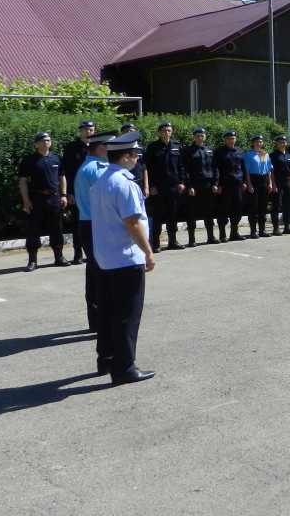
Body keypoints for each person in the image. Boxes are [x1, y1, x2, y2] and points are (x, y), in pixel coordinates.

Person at [89, 130, 156, 386]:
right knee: (127, 314)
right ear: (126, 157)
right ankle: (124, 367)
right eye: (135, 154)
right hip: (125, 258)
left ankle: (106, 359)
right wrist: (148, 251)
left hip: (105, 257)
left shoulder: (101, 181)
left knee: (107, 312)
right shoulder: (125, 183)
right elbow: (132, 222)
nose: (137, 159)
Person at [73, 130, 116, 331]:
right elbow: (110, 200)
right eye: (110, 148)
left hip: (90, 224)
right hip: (96, 225)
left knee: (94, 273)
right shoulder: (97, 170)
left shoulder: (90, 166)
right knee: (101, 274)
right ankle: (102, 321)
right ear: (100, 148)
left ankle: (97, 321)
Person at [18, 131, 68, 271]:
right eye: (42, 141)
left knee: (57, 228)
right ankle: (32, 261)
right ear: (37, 143)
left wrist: (64, 195)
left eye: (48, 140)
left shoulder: (56, 158)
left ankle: (59, 257)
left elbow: (62, 177)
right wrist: (26, 200)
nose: (46, 143)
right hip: (36, 198)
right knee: (33, 229)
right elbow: (23, 181)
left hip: (54, 197)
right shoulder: (29, 159)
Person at [144, 121, 186, 252]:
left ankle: (172, 241)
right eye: (164, 130)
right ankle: (156, 243)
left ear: (171, 132)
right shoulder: (152, 147)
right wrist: (151, 186)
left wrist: (182, 182)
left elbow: (181, 166)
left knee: (172, 214)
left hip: (174, 186)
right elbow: (149, 168)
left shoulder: (177, 146)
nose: (166, 133)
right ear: (159, 132)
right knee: (157, 215)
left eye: (169, 130)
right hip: (158, 187)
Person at [62, 119, 96, 263]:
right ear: (80, 131)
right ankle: (78, 253)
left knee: (95, 222)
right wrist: (69, 192)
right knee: (78, 223)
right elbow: (67, 172)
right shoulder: (71, 148)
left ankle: (93, 252)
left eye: (91, 129)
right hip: (77, 192)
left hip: (94, 191)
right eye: (85, 129)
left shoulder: (97, 147)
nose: (88, 132)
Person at [181, 127, 219, 246]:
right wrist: (189, 186)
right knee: (191, 212)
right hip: (194, 185)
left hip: (208, 185)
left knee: (209, 211)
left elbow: (215, 168)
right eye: (197, 136)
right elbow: (186, 170)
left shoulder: (210, 150)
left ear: (205, 137)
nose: (200, 138)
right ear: (194, 137)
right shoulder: (188, 151)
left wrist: (215, 183)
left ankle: (211, 237)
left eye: (202, 135)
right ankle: (191, 239)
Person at [214, 130, 247, 241]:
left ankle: (234, 233)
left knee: (237, 210)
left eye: (232, 138)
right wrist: (218, 184)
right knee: (223, 209)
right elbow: (216, 169)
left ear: (235, 139)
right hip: (225, 185)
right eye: (228, 138)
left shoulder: (239, 151)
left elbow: (243, 168)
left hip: (238, 185)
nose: (230, 140)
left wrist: (244, 182)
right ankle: (222, 234)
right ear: (224, 139)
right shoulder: (219, 152)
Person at [244, 134, 274, 238]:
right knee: (253, 206)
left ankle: (262, 230)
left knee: (263, 206)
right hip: (254, 180)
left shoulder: (265, 154)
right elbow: (247, 171)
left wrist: (270, 182)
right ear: (253, 143)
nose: (259, 143)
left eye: (260, 141)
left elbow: (269, 169)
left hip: (264, 180)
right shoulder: (249, 155)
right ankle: (253, 231)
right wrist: (249, 184)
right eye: (257, 141)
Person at [270, 134, 290, 235]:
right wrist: (273, 184)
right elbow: (271, 171)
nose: (282, 144)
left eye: (284, 142)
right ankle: (276, 228)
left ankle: (287, 227)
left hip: (287, 182)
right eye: (280, 142)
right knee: (276, 205)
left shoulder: (289, 156)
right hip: (277, 182)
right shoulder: (273, 155)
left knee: (287, 205)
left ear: (286, 143)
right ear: (277, 143)